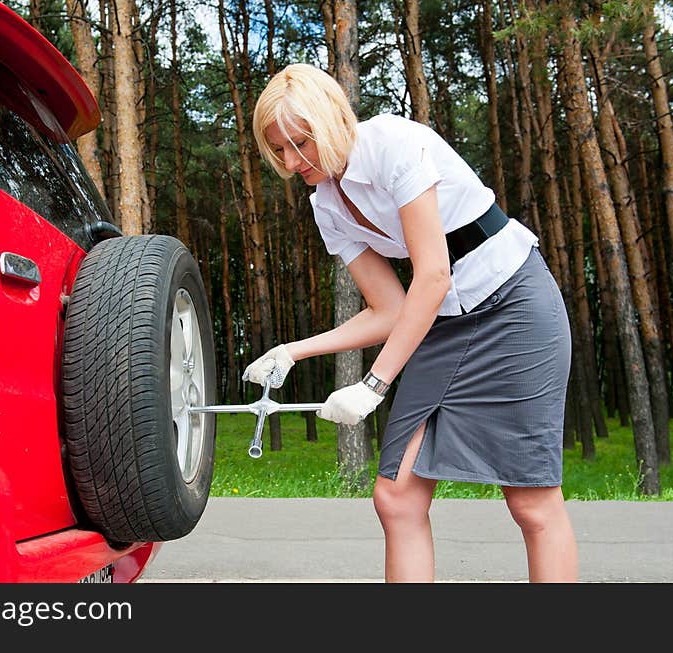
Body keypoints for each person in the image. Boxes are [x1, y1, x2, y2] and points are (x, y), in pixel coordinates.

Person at [244, 63, 578, 583]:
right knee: (396, 495)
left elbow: (433, 275)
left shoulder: (393, 143)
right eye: (278, 151)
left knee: (531, 501)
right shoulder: (326, 204)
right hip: (441, 323)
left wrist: (374, 384)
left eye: (299, 143)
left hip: (514, 306)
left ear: (332, 119)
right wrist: (293, 351)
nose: (291, 162)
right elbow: (390, 308)